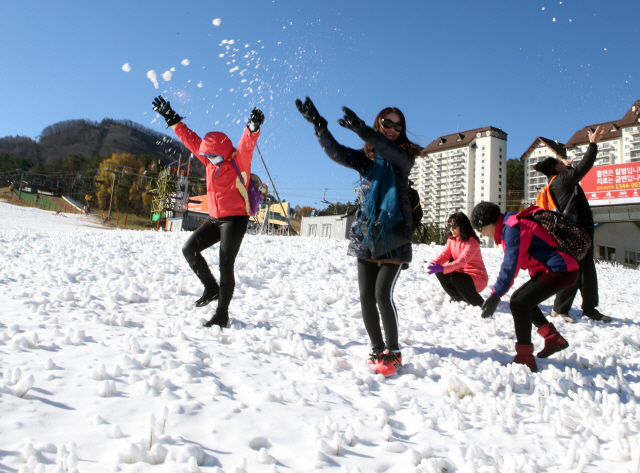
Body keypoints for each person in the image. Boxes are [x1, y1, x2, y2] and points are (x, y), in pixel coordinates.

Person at [295, 97, 421, 376]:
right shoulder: (367, 159)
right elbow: (338, 153)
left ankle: (394, 351)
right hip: (367, 233)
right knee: (365, 296)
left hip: (394, 233)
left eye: (397, 127)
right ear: (380, 122)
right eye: (387, 123)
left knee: (381, 294)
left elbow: (388, 149)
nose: (392, 129)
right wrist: (320, 128)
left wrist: (364, 130)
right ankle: (376, 348)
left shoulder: (403, 158)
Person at [152, 96, 264, 329]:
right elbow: (189, 138)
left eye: (213, 156)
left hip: (235, 219)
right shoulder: (208, 159)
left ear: (223, 151)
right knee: (189, 249)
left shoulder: (238, 160)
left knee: (226, 264)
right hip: (215, 219)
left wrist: (252, 128)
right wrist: (171, 117)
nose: (209, 159)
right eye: (207, 156)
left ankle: (222, 313)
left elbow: (246, 145)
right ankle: (211, 288)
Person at [470, 202, 580, 372]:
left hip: (560, 269)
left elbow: (510, 265)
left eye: (480, 229)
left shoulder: (512, 227)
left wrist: (495, 295)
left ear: (488, 223)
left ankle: (525, 357)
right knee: (520, 300)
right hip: (559, 269)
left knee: (519, 303)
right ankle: (552, 339)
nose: (482, 234)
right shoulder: (510, 225)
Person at [533, 125, 611, 323]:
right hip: (578, 228)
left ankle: (589, 309)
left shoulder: (557, 180)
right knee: (576, 267)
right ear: (557, 168)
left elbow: (572, 170)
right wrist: (593, 145)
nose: (565, 163)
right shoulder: (563, 180)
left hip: (578, 227)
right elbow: (585, 165)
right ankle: (560, 309)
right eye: (561, 162)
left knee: (586, 269)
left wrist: (564, 164)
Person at [426, 211, 488, 307]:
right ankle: (458, 297)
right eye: (449, 226)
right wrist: (433, 264)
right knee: (441, 273)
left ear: (462, 226)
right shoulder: (452, 239)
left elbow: (461, 261)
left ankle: (479, 303)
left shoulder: (472, 242)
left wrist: (443, 268)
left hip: (477, 277)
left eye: (454, 226)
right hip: (460, 275)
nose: (451, 229)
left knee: (455, 277)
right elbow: (445, 254)